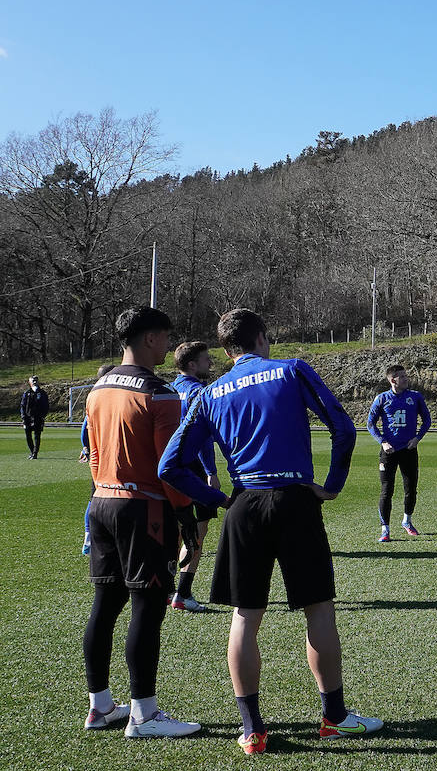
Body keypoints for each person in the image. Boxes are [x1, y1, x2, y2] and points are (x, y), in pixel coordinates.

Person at [159, 308, 381, 754]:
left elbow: (170, 466)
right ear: (262, 338)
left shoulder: (209, 392)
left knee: (245, 616)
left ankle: (252, 729)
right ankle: (334, 717)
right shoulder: (291, 369)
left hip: (245, 503)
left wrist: (219, 501)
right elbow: (342, 426)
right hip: (296, 499)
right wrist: (332, 486)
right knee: (318, 608)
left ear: (226, 350)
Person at [82, 306, 200, 738]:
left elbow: (93, 455)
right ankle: (144, 715)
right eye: (165, 337)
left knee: (104, 605)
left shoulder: (97, 389)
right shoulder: (160, 393)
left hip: (102, 503)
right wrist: (186, 514)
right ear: (150, 338)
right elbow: (170, 466)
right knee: (147, 609)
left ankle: (100, 707)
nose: (168, 345)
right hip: (145, 509)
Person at [168, 341, 224, 612]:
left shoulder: (165, 390)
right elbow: (202, 440)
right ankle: (183, 592)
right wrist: (211, 472)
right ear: (192, 365)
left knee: (173, 531)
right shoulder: (200, 392)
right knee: (197, 533)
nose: (210, 363)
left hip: (168, 470)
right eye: (205, 360)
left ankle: (167, 588)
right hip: (194, 470)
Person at [367, 363, 432, 541]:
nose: (406, 379)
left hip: (409, 450)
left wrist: (417, 438)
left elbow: (427, 420)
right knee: (387, 490)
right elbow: (370, 424)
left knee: (411, 489)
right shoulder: (381, 399)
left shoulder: (415, 397)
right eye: (402, 376)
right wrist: (383, 442)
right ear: (393, 380)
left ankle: (407, 521)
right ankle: (385, 530)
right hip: (389, 452)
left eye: (406, 375)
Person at [79, 363, 114, 555]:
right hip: (102, 458)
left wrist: (87, 448)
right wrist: (88, 448)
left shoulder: (97, 395)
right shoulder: (100, 395)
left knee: (97, 497)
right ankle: (89, 538)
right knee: (96, 497)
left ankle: (91, 538)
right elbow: (85, 430)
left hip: (102, 456)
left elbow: (85, 432)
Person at [20, 375, 50, 459]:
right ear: (30, 382)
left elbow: (46, 405)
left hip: (38, 418)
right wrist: (23, 417)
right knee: (28, 435)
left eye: (36, 380)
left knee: (37, 435)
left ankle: (35, 453)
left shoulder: (42, 393)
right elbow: (23, 405)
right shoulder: (27, 393)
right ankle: (32, 451)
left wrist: (43, 416)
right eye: (33, 380)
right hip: (28, 418)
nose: (35, 382)